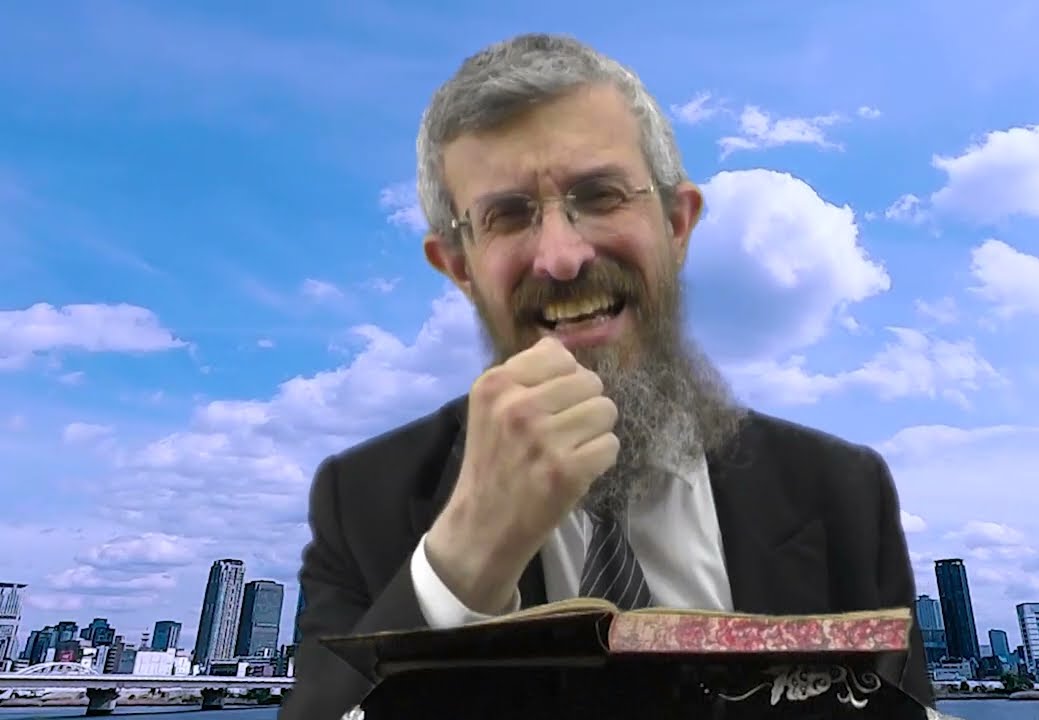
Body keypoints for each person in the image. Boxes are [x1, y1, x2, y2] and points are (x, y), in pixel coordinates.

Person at [282, 33, 934, 719]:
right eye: (507, 215)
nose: (562, 258)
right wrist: (460, 566)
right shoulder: (361, 503)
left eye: (600, 195)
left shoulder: (844, 493)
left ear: (677, 226)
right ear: (460, 267)